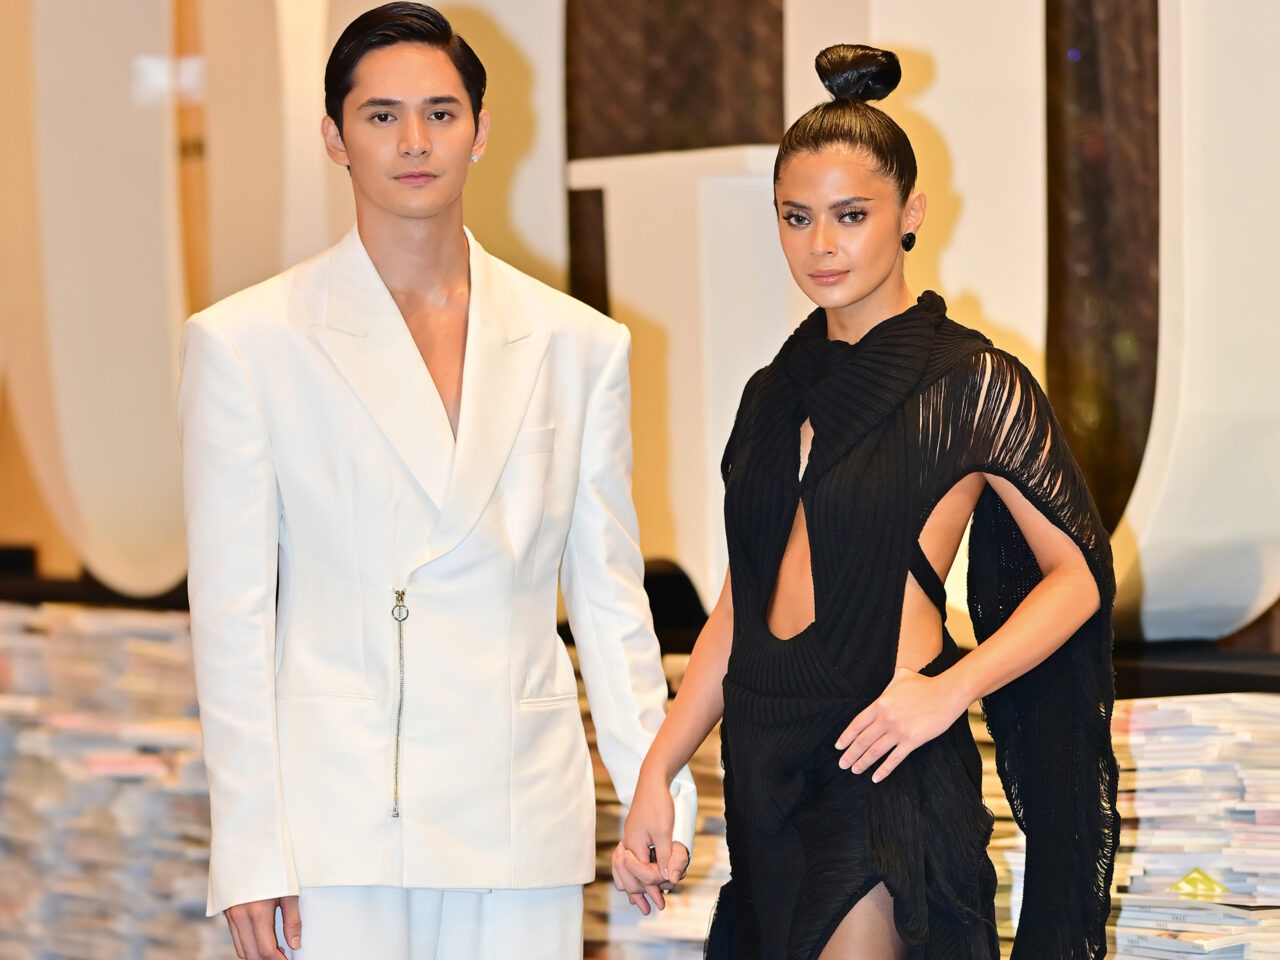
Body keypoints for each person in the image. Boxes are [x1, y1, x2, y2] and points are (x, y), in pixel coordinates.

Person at [177, 4, 695, 959]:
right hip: (341, 814)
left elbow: (609, 596)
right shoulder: (248, 343)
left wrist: (654, 781)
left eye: (440, 113)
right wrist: (247, 845)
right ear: (334, 137)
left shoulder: (579, 344)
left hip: (518, 804)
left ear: (480, 131)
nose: (414, 142)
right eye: (381, 116)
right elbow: (233, 618)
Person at [615, 44, 1118, 959]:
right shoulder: (771, 393)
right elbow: (740, 605)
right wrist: (659, 766)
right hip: (765, 768)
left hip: (883, 761)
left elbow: (1076, 576)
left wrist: (949, 691)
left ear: (910, 213)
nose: (822, 245)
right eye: (796, 217)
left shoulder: (969, 380)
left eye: (852, 215)